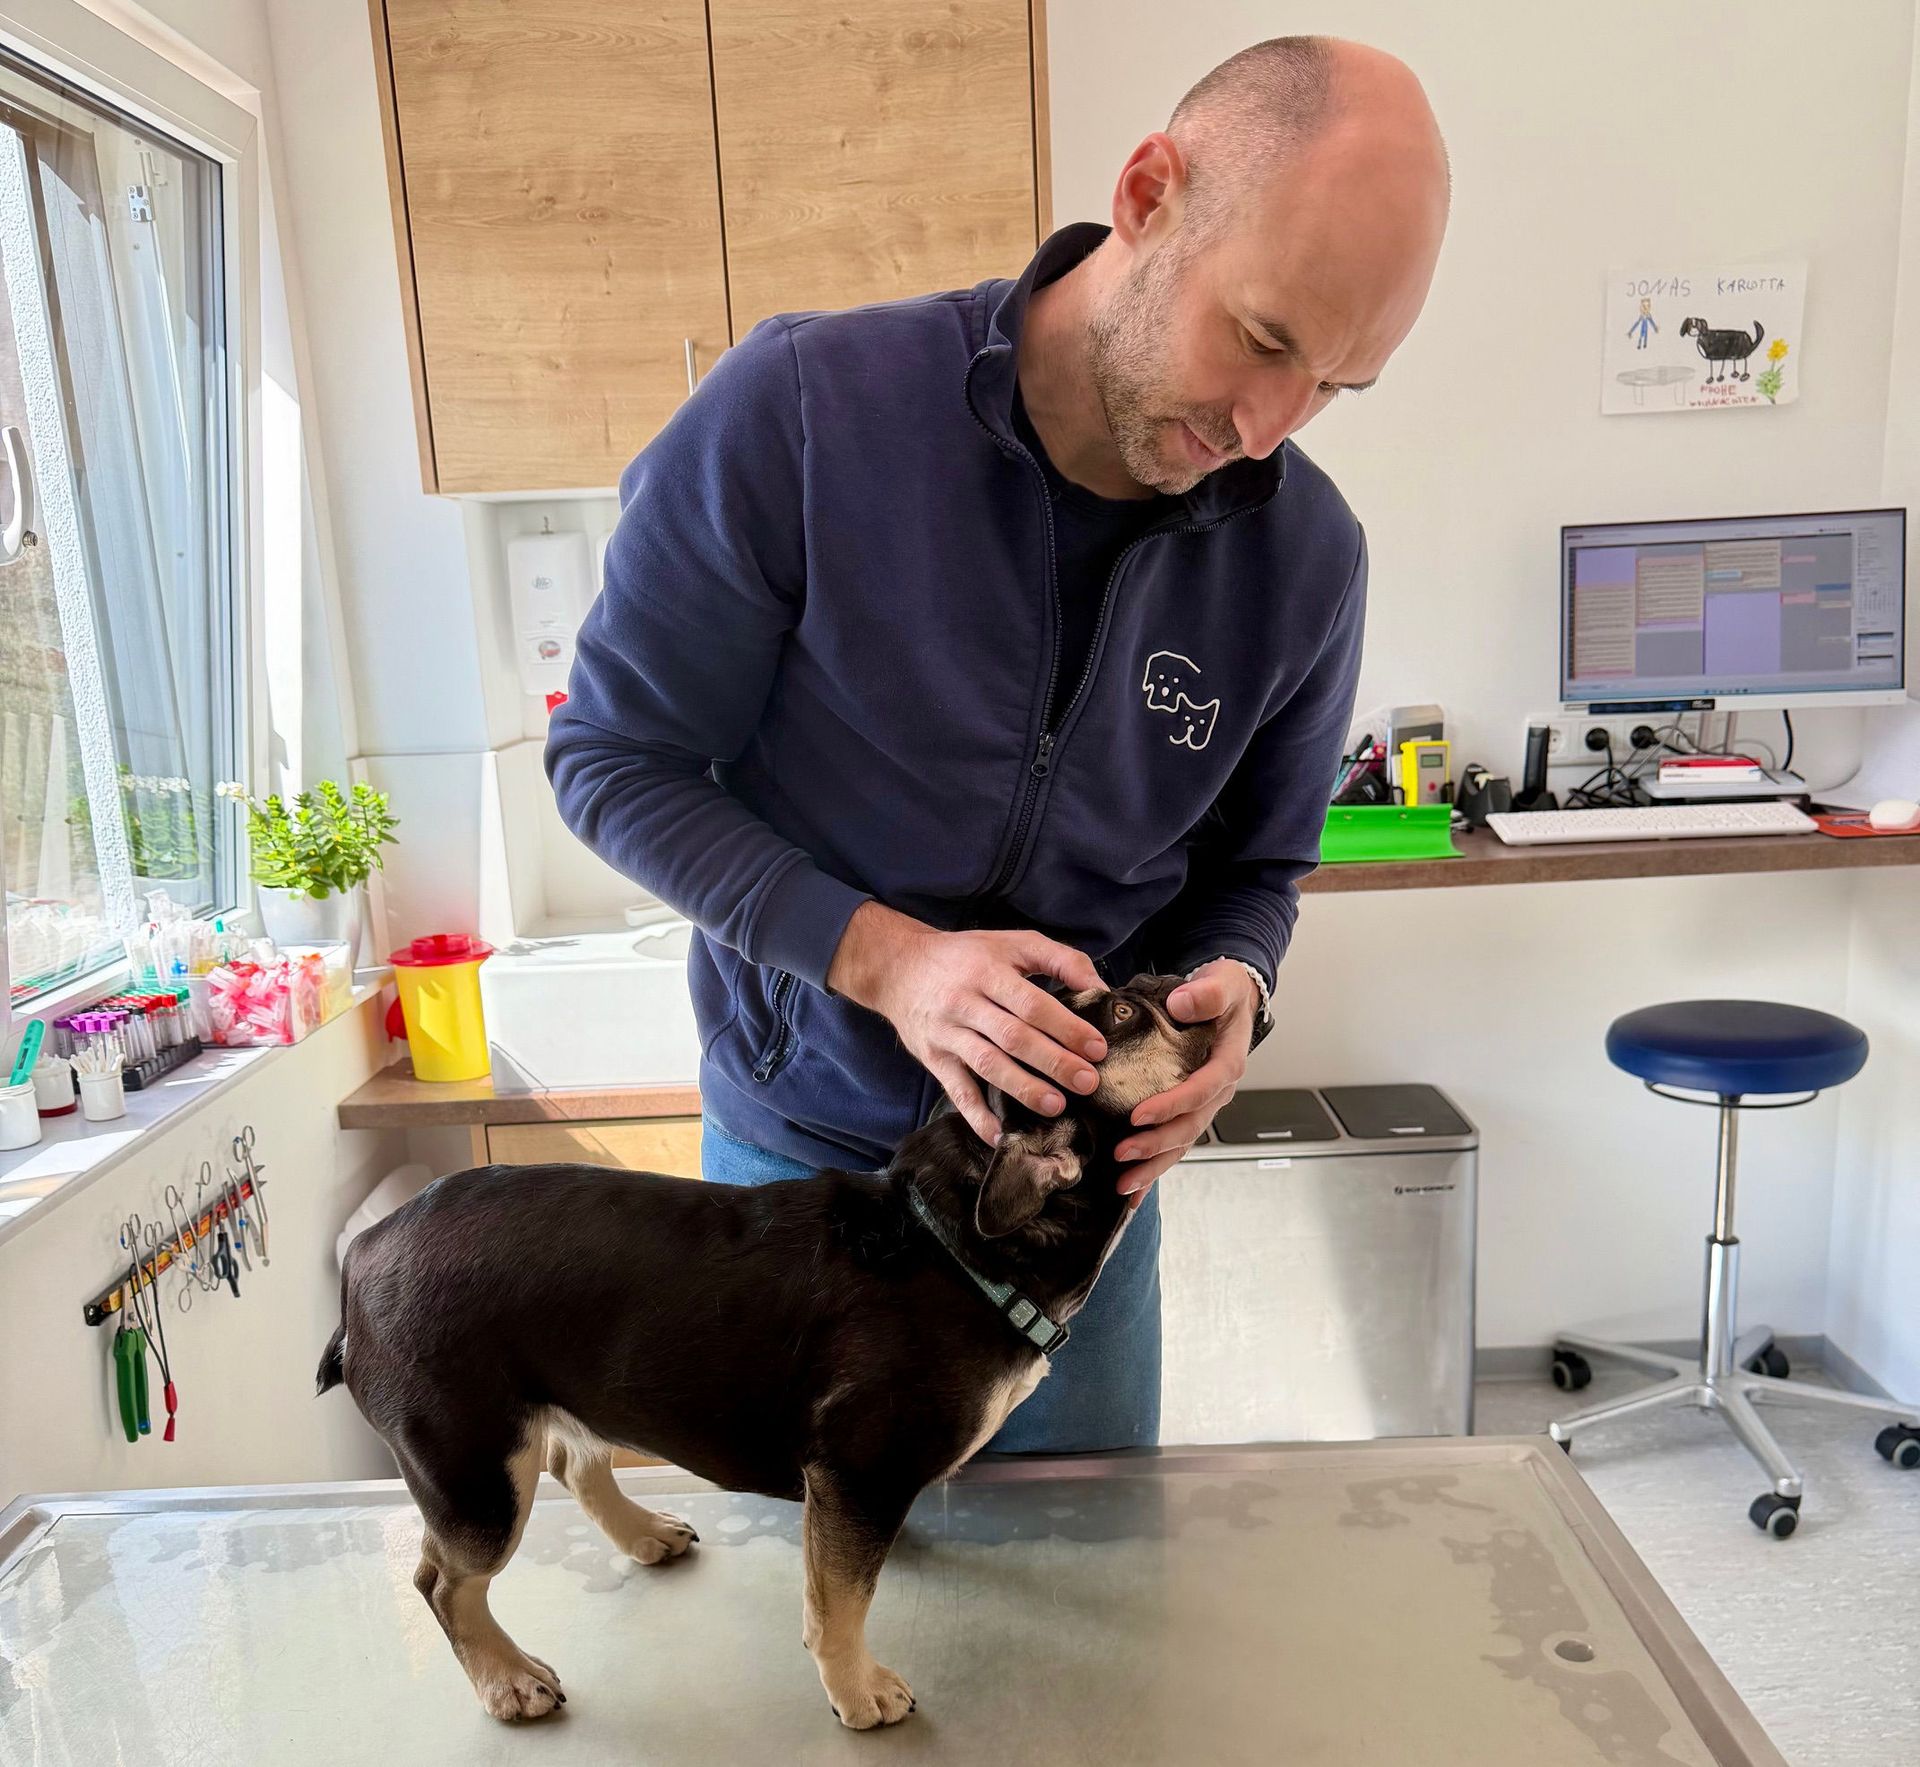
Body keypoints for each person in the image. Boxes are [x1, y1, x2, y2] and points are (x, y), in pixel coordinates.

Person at [546, 35, 1450, 1453]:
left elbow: (1258, 871)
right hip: (803, 1184)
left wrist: (1239, 987)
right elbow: (612, 759)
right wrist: (888, 960)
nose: (1267, 429)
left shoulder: (1308, 557)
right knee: (823, 1584)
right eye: (1266, 338)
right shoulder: (803, 413)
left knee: (1089, 1577)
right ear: (1148, 195)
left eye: (1337, 385)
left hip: (1081, 1215)